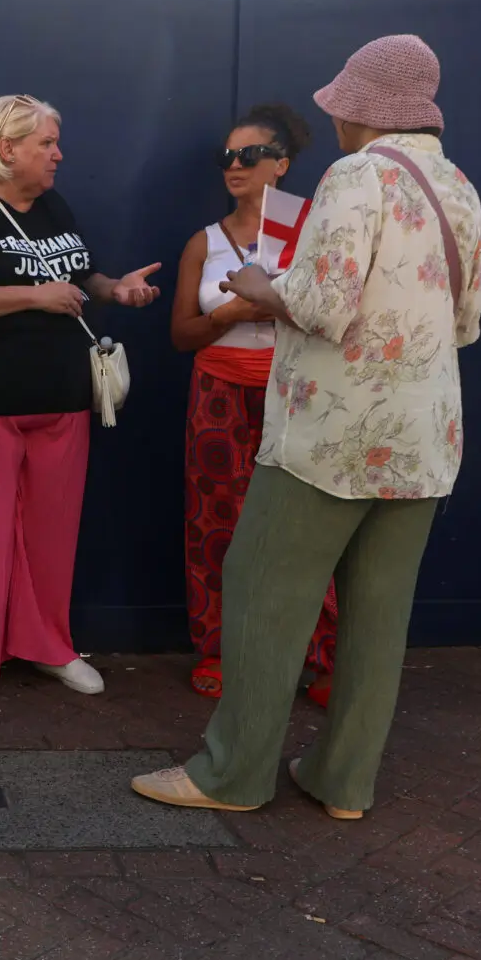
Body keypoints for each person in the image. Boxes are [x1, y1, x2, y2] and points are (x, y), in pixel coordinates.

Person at [133, 34, 481, 820]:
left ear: (362, 108)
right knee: (378, 614)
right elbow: (466, 321)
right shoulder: (457, 184)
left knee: (261, 588)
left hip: (332, 434)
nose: (334, 123)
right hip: (424, 437)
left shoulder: (357, 175)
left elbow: (321, 304)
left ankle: (231, 773)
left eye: (342, 107)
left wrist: (261, 283)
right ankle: (343, 780)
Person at [0, 95, 162, 702]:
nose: (58, 155)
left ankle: (48, 643)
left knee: (52, 535)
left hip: (61, 399)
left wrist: (115, 289)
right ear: (7, 149)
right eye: (47, 144)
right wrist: (31, 296)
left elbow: (79, 280)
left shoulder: (54, 206)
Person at [169, 103, 339, 701]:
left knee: (306, 522)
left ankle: (321, 655)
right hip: (217, 391)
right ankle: (220, 649)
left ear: (281, 164)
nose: (234, 165)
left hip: (296, 388)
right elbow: (182, 335)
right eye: (227, 157)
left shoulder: (317, 229)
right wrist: (234, 313)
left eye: (250, 155)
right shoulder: (205, 242)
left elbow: (338, 310)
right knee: (218, 521)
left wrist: (274, 301)